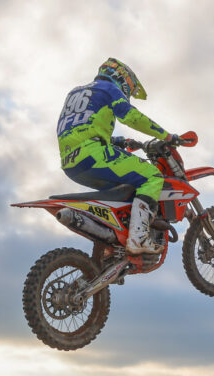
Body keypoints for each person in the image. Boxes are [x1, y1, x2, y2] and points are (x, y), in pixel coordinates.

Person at [57, 58, 180, 255]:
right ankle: (138, 238)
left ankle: (111, 246)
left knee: (123, 193)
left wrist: (118, 141)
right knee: (152, 176)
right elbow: (132, 117)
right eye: (129, 85)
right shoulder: (108, 88)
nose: (128, 90)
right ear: (121, 77)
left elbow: (78, 128)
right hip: (94, 156)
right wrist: (166, 136)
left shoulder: (75, 93)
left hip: (70, 163)